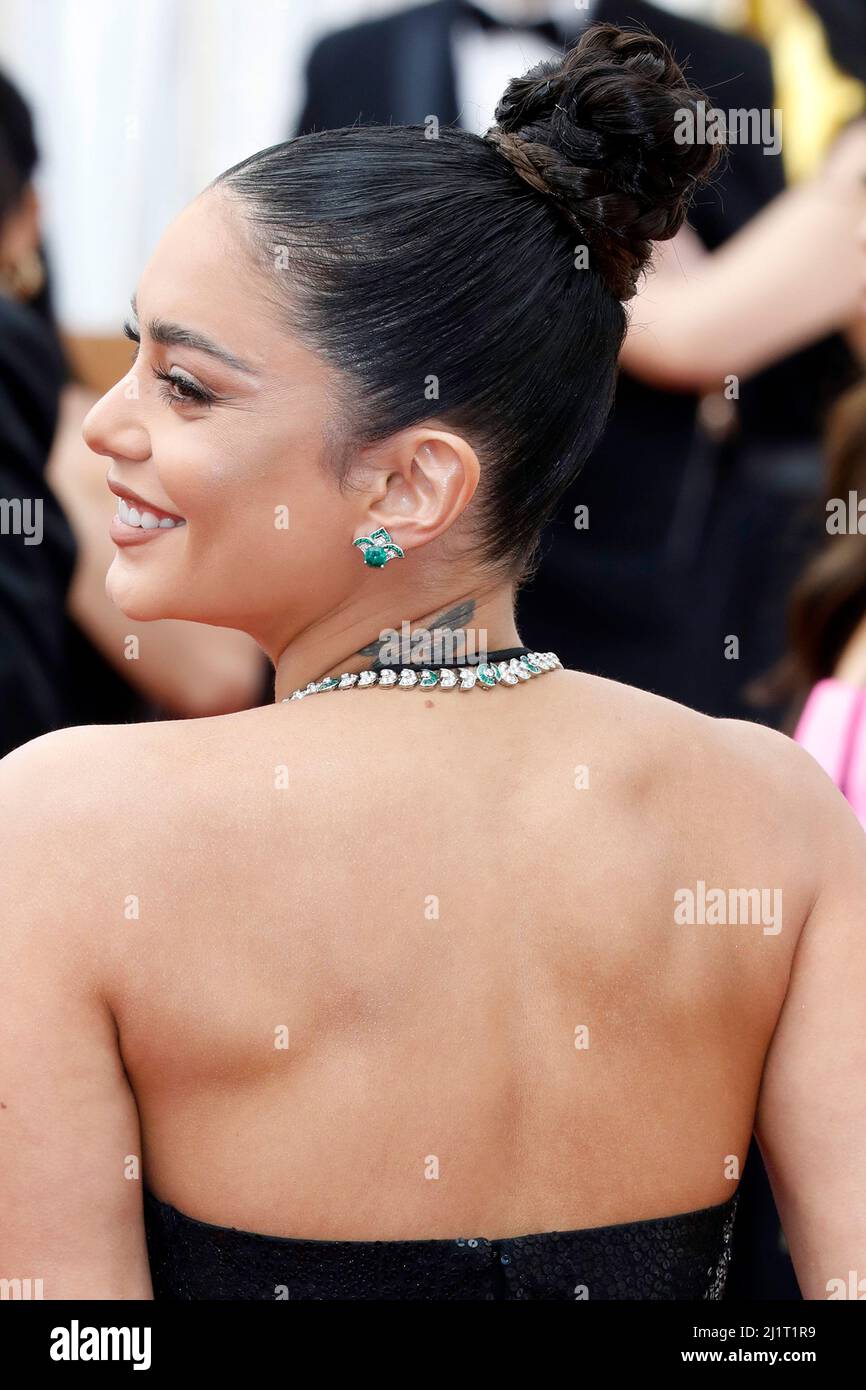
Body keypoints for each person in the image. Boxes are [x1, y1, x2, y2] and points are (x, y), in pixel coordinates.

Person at [1, 25, 864, 1301]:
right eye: (128, 358)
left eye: (185, 385)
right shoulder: (775, 812)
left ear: (409, 483)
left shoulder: (59, 825)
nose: (109, 423)